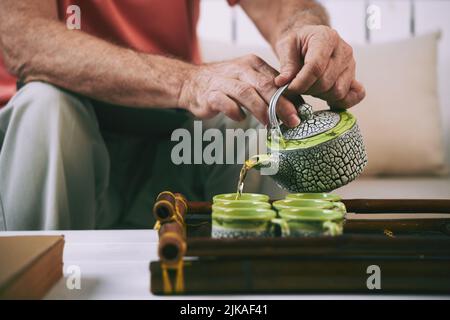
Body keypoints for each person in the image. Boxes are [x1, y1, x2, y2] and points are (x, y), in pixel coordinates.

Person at [0, 0, 365, 230]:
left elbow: (280, 6)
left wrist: (301, 28)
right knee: (46, 107)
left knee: (258, 111)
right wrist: (187, 81)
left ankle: (254, 286)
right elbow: (24, 40)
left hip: (175, 142)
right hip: (61, 146)